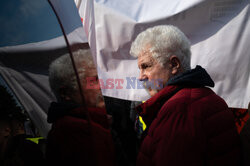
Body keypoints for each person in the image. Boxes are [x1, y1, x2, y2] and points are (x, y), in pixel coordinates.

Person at [130, 25, 241, 166]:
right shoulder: (198, 97)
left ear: (174, 64)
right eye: (140, 69)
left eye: (146, 66)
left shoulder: (180, 109)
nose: (140, 77)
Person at [46, 48, 115, 166]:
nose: (103, 86)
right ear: (66, 93)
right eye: (94, 81)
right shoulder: (78, 133)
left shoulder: (89, 124)